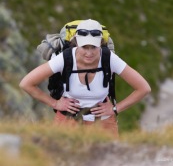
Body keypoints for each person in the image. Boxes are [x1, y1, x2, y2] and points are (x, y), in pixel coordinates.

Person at [19, 19, 151, 137]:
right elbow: (26, 83)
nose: (89, 53)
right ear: (76, 43)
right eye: (84, 47)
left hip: (104, 123)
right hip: (67, 121)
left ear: (100, 43)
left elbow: (143, 88)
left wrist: (115, 108)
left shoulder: (109, 58)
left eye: (94, 47)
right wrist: (55, 103)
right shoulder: (65, 58)